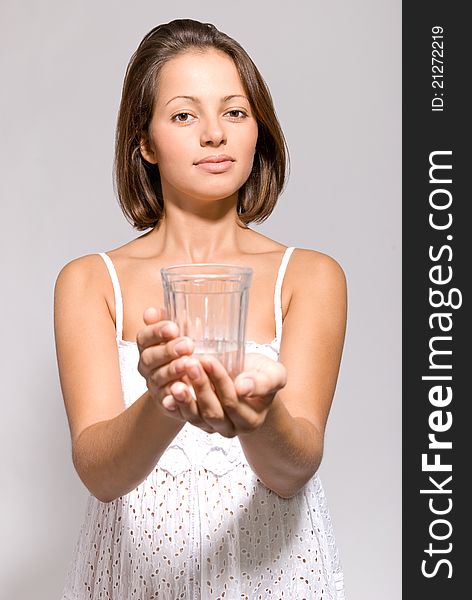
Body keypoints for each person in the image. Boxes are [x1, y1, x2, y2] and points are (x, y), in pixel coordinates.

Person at [54, 18, 347, 599]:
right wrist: (167, 401)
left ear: (258, 131)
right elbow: (100, 474)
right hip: (134, 582)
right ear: (145, 141)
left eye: (235, 112)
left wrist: (259, 418)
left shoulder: (311, 276)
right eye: (185, 114)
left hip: (275, 580)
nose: (215, 134)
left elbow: (293, 468)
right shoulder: (91, 282)